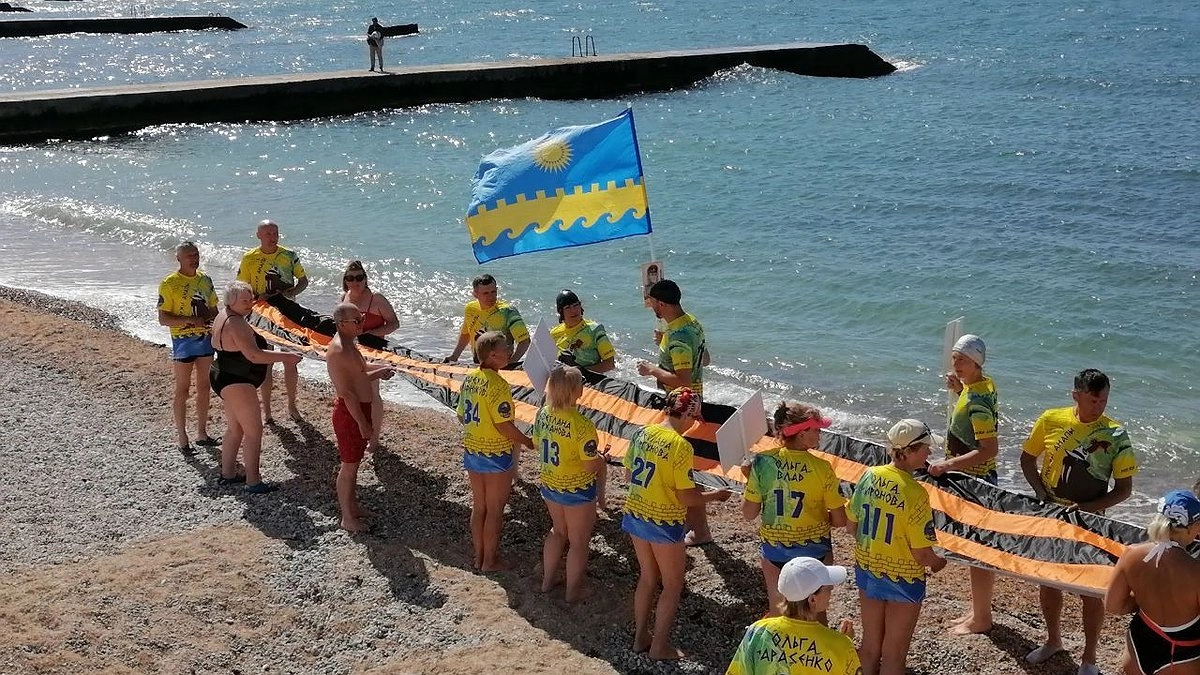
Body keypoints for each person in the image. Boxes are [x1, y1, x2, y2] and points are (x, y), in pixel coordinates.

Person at [1021, 368, 1139, 675]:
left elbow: (1124, 490)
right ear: (1076, 395)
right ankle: (1053, 641)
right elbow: (1027, 459)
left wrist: (1086, 509)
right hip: (1052, 516)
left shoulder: (1116, 435)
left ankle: (1089, 658)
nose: (1098, 407)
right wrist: (1041, 493)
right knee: (1049, 581)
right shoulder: (1051, 419)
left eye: (1103, 401)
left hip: (1091, 522)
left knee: (1090, 590)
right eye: (1092, 400)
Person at [621, 387, 730, 660]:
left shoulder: (643, 432)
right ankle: (658, 648)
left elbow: (627, 475)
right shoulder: (681, 446)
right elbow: (686, 498)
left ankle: (640, 638)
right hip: (663, 520)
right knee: (672, 585)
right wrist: (715, 496)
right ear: (690, 416)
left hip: (635, 512)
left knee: (647, 577)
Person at [848, 419, 947, 675]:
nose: (929, 452)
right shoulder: (916, 493)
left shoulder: (869, 476)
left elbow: (851, 526)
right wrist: (938, 563)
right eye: (925, 447)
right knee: (894, 653)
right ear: (909, 451)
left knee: (869, 646)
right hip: (903, 579)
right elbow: (921, 554)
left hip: (868, 570)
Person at [741, 401, 847, 618]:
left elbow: (749, 513)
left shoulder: (762, 462)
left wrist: (751, 480)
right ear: (801, 433)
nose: (820, 434)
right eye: (816, 430)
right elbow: (839, 520)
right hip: (814, 551)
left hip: (775, 550)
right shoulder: (822, 468)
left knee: (779, 612)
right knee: (816, 614)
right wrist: (816, 516)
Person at [636, 279, 718, 545]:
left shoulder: (679, 337)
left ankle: (701, 531)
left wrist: (652, 369)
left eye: (652, 303)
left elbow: (683, 379)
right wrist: (665, 342)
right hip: (694, 403)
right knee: (684, 467)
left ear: (661, 303)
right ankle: (691, 524)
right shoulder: (691, 323)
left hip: (683, 407)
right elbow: (704, 359)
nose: (651, 307)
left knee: (685, 471)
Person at [928, 333, 999, 635]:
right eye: (954, 357)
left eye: (963, 360)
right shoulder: (980, 386)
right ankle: (978, 611)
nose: (956, 363)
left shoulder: (978, 400)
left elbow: (989, 449)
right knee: (974, 550)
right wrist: (960, 391)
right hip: (972, 479)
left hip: (977, 482)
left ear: (976, 363)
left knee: (977, 552)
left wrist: (947, 465)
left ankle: (981, 618)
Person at [208, 281, 301, 493]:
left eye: (251, 299)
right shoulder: (236, 323)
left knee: (235, 428)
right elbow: (254, 355)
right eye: (244, 300)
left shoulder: (223, 315)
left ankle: (228, 474)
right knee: (254, 431)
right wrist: (287, 357)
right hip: (236, 379)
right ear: (231, 301)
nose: (250, 303)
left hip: (223, 374)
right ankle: (253, 481)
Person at [457, 330, 532, 571]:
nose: (510, 351)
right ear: (492, 355)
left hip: (473, 449)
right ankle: (489, 561)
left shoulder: (470, 378)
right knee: (495, 510)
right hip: (496, 454)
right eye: (505, 348)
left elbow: (461, 415)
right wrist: (527, 440)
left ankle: (478, 556)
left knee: (479, 506)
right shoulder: (498, 385)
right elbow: (504, 426)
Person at [1104, 490, 1200, 675]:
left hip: (1139, 647)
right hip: (1183, 655)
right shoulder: (1195, 571)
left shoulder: (1131, 555)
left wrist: (1143, 600)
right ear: (1191, 526)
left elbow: (1113, 605)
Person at [531, 365, 604, 602]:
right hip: (577, 489)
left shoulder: (543, 414)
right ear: (576, 391)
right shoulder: (582, 425)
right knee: (578, 541)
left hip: (550, 483)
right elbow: (590, 466)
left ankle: (546, 582)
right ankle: (572, 592)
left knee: (557, 531)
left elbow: (536, 443)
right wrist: (602, 459)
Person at [726, 557, 861, 675]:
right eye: (828, 588)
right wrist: (844, 643)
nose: (831, 590)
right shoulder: (841, 645)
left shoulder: (758, 632)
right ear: (812, 599)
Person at [326, 302, 395, 533]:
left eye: (362, 318)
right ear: (341, 324)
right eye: (357, 321)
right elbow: (347, 393)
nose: (362, 324)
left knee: (354, 464)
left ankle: (353, 507)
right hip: (350, 413)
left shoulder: (349, 344)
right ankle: (347, 518)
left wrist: (380, 370)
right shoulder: (339, 350)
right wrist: (362, 423)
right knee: (348, 466)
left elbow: (360, 373)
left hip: (359, 409)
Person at [237, 219, 308, 423]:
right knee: (266, 361)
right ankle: (267, 411)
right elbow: (242, 287)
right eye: (268, 233)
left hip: (287, 315)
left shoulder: (289, 255)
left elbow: (303, 281)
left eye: (275, 233)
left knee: (290, 360)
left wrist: (290, 293)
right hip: (262, 316)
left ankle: (292, 405)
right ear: (258, 235)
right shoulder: (249, 258)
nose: (272, 237)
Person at [157, 241, 219, 452]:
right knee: (182, 390)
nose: (194, 259)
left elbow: (214, 310)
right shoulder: (169, 283)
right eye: (189, 256)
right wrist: (190, 320)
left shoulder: (205, 280)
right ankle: (182, 436)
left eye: (196, 254)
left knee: (204, 387)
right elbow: (163, 319)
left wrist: (215, 324)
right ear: (179, 259)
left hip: (205, 340)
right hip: (183, 342)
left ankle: (202, 433)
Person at [340, 260, 400, 451]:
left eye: (359, 277)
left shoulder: (377, 299)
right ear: (345, 281)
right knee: (350, 392)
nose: (355, 282)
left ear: (366, 279)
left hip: (374, 352)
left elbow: (394, 323)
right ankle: (359, 430)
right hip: (351, 352)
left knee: (372, 394)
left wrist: (371, 334)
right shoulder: (344, 297)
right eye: (351, 278)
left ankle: (374, 440)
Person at [446, 274, 530, 366]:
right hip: (478, 365)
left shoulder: (508, 311)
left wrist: (510, 364)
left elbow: (525, 341)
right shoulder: (470, 309)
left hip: (501, 367)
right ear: (475, 294)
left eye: (493, 292)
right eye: (486, 293)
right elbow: (466, 334)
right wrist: (454, 356)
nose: (491, 297)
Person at [550, 289, 616, 373]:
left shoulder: (595, 330)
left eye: (576, 305)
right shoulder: (553, 333)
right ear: (561, 312)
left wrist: (579, 372)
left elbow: (609, 364)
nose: (573, 310)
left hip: (590, 378)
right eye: (568, 307)